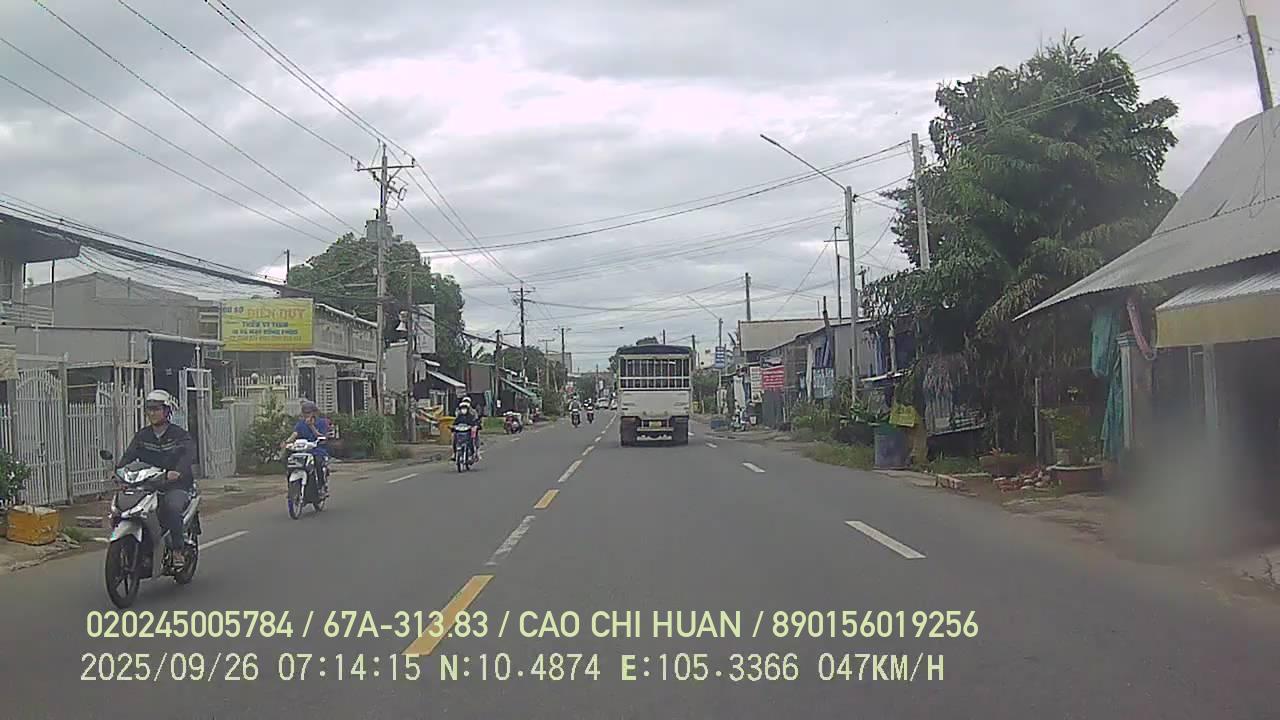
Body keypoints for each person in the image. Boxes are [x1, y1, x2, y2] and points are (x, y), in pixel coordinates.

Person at [116, 389, 195, 566]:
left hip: (175, 485)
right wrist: (119, 473)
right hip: (149, 484)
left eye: (156, 409)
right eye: (149, 409)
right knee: (125, 507)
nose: (152, 413)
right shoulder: (143, 436)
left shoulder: (179, 435)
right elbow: (129, 456)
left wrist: (177, 471)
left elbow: (188, 455)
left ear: (166, 411)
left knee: (172, 508)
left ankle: (177, 551)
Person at [280, 400, 331, 491]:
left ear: (314, 413)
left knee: (318, 462)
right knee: (287, 458)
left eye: (308, 412)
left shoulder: (322, 422)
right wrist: (287, 442)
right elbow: (295, 434)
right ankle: (292, 485)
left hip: (316, 449)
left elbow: (322, 436)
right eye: (304, 413)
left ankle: (321, 485)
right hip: (302, 450)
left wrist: (311, 426)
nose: (306, 415)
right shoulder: (300, 424)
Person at [453, 396, 482, 461]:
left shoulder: (473, 412)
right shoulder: (459, 413)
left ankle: (475, 452)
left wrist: (476, 426)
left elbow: (476, 420)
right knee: (455, 439)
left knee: (474, 438)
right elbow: (455, 422)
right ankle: (455, 453)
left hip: (469, 430)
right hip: (460, 431)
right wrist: (453, 427)